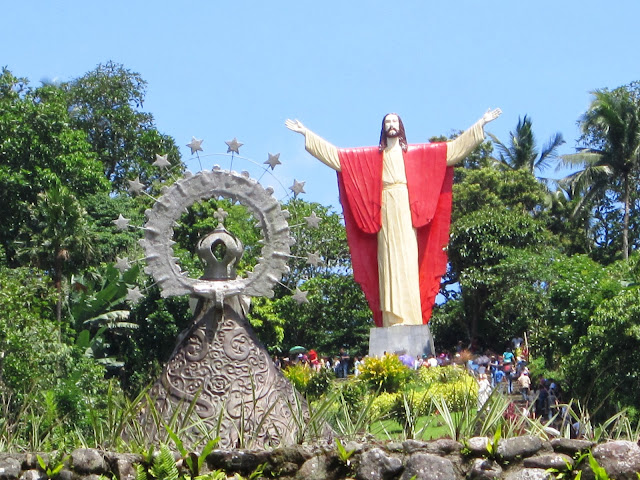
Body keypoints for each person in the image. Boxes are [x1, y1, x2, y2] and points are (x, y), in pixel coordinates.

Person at [286, 109, 501, 327]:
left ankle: (411, 317)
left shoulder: (418, 155)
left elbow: (453, 150)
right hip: (385, 210)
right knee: (387, 261)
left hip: (407, 208)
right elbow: (338, 157)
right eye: (387, 121)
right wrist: (307, 134)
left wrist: (480, 123)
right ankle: (391, 318)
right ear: (383, 127)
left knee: (408, 261)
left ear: (401, 126)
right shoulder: (371, 158)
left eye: (394, 121)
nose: (391, 125)